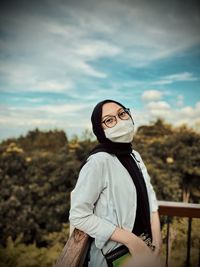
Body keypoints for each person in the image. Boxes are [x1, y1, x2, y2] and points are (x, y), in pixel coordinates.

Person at [69, 99, 162, 267]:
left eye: (122, 113)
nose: (120, 121)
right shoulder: (98, 162)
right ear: (99, 129)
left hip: (146, 250)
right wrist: (132, 241)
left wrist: (157, 240)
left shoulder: (135, 155)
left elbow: (150, 196)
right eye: (109, 120)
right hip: (116, 257)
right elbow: (78, 215)